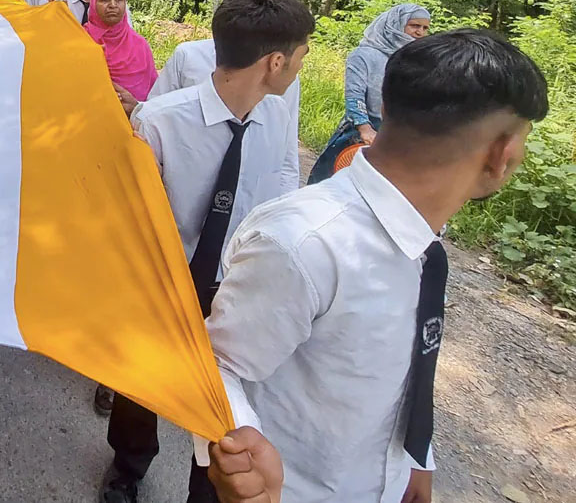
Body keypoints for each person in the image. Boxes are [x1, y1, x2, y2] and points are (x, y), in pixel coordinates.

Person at [206, 29, 548, 503]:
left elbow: (400, 365)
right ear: (502, 154)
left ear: (385, 107)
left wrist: (414, 458)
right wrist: (242, 452)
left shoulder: (423, 244)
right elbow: (218, 363)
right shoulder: (304, 245)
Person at [103, 0, 314, 503]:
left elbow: (283, 176)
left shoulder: (276, 116)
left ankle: (209, 490)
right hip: (166, 281)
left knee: (226, 405)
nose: (299, 67)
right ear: (275, 62)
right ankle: (128, 465)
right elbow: (131, 219)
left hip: (240, 282)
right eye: (301, 56)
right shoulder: (158, 122)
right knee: (143, 383)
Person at [150, 0, 300, 192]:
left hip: (250, 191)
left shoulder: (285, 76)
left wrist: (284, 204)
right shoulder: (188, 56)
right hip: (184, 187)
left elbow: (287, 152)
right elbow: (156, 117)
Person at [308, 3, 432, 184]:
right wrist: (364, 128)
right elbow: (354, 95)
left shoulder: (417, 61)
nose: (420, 32)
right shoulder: (363, 55)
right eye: (414, 25)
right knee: (330, 185)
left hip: (398, 135)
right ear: (395, 24)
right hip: (360, 133)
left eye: (425, 28)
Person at [83, 0, 156, 103]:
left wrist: (135, 107)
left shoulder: (140, 45)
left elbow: (154, 90)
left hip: (135, 112)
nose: (113, 5)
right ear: (94, 5)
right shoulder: (82, 40)